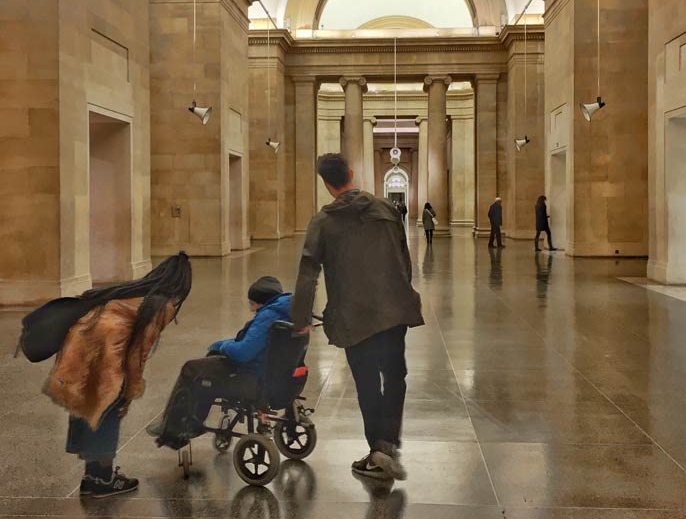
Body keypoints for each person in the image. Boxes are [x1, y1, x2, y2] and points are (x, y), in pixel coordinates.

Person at [291, 153, 423, 482]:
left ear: (326, 183)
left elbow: (308, 272)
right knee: (395, 377)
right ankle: (387, 445)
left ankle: (379, 450)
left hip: (354, 316)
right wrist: (400, 292)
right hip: (393, 311)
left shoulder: (323, 221)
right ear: (351, 174)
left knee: (367, 384)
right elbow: (404, 259)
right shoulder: (386, 209)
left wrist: (301, 317)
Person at [41, 253, 192, 497]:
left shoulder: (133, 291)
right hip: (106, 355)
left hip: (79, 348)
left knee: (89, 406)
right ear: (182, 286)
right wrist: (130, 392)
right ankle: (102, 479)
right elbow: (137, 354)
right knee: (109, 409)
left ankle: (92, 476)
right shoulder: (161, 305)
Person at [148, 277, 291, 449]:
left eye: (253, 304)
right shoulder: (289, 311)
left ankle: (174, 427)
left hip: (251, 378)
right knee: (207, 366)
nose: (252, 309)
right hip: (275, 376)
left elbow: (243, 353)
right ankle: (190, 420)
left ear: (262, 302)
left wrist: (222, 345)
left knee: (192, 370)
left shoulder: (268, 317)